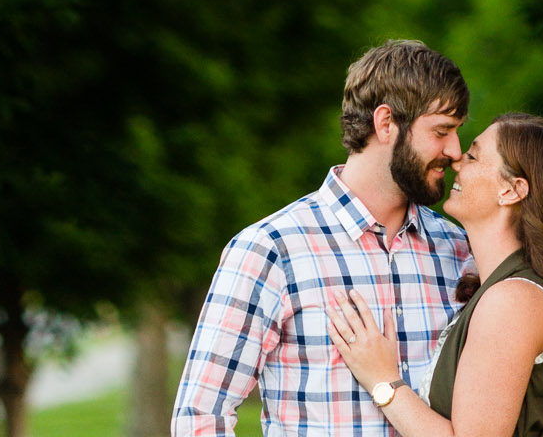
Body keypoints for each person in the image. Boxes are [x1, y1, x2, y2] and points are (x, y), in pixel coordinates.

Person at [172, 40, 473, 437]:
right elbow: (200, 416)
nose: (455, 151)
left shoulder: (459, 250)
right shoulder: (271, 249)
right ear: (386, 124)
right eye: (442, 131)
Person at [324, 114, 543, 437]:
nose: (457, 160)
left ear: (512, 190)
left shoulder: (511, 301)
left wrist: (382, 380)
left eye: (473, 155)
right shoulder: (502, 288)